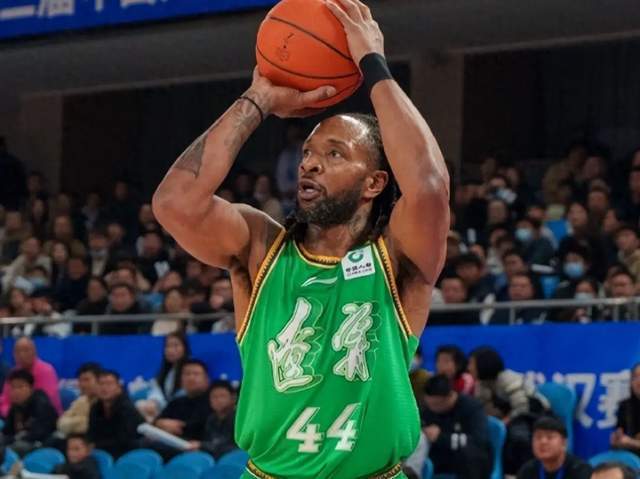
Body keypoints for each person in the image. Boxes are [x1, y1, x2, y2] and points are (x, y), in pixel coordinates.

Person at [152, 2, 450, 476]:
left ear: (374, 183)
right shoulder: (260, 246)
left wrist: (372, 63)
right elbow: (174, 203)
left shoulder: (398, 257)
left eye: (335, 154)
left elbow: (429, 185)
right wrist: (259, 98)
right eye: (308, 152)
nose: (310, 163)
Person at [469, 346, 550, 474]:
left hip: (533, 417)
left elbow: (522, 407)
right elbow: (484, 410)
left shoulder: (508, 378)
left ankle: (523, 473)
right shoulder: (481, 384)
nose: (469, 368)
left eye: (471, 364)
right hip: (508, 419)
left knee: (517, 437)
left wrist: (503, 423)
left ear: (483, 364)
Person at [420, 375, 491, 479]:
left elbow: (478, 441)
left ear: (450, 396)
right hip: (442, 458)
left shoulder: (472, 408)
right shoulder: (429, 410)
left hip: (471, 461)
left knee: (469, 453)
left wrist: (441, 437)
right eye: (429, 404)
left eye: (436, 404)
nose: (432, 408)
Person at [87, 370, 144, 458]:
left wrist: (95, 446)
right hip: (103, 449)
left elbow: (125, 440)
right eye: (101, 384)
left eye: (109, 384)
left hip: (129, 452)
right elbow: (91, 433)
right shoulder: (95, 408)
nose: (104, 388)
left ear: (119, 388)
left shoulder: (127, 408)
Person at [0, 337, 62, 416]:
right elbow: (4, 401)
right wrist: (10, 413)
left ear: (35, 352)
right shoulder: (13, 373)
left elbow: (45, 403)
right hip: (15, 417)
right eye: (17, 351)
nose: (22, 355)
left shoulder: (46, 371)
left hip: (44, 418)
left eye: (26, 350)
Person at [153, 359, 211, 442]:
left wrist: (179, 427)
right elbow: (157, 420)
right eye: (187, 374)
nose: (191, 378)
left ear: (206, 379)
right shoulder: (176, 402)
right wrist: (161, 423)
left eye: (196, 374)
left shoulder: (212, 402)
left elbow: (198, 426)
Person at [3, 369, 58, 456]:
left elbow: (38, 433)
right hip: (20, 441)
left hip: (42, 444)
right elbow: (7, 431)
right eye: (13, 387)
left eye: (20, 387)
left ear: (31, 388)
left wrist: (14, 438)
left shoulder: (41, 404)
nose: (16, 391)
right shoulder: (15, 407)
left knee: (15, 448)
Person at [137, 332, 190, 421]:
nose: (170, 350)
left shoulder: (190, 368)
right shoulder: (166, 371)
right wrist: (154, 401)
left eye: (175, 346)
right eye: (167, 346)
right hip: (165, 410)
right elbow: (157, 390)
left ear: (185, 348)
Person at [517, 417, 591, 479]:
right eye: (538, 437)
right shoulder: (527, 472)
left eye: (550, 437)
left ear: (564, 442)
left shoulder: (580, 471)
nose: (543, 442)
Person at [190, 380, 238, 459]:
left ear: (233, 398)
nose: (218, 400)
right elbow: (210, 442)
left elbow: (234, 448)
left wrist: (202, 446)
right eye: (214, 397)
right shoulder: (211, 419)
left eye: (222, 396)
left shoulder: (238, 419)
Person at [57, 363, 102, 437]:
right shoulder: (81, 401)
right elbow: (61, 423)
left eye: (86, 380)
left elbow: (95, 426)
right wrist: (82, 421)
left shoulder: (105, 402)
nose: (83, 385)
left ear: (99, 380)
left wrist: (74, 422)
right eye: (80, 380)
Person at [610, 362, 640, 455]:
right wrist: (617, 441)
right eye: (635, 377)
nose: (639, 381)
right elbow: (620, 435)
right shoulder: (625, 406)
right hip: (631, 457)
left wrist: (631, 442)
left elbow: (628, 441)